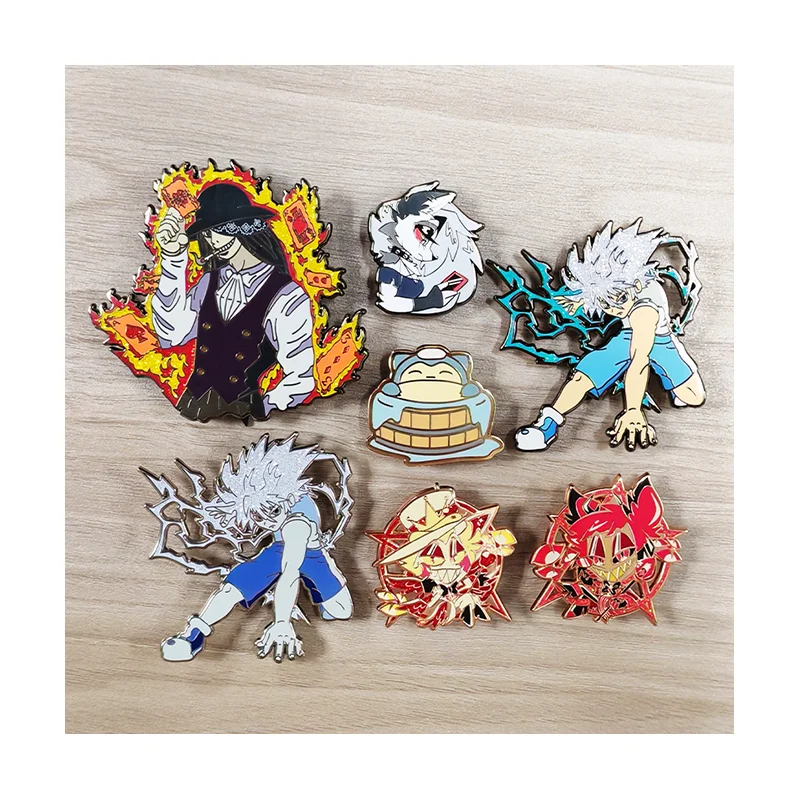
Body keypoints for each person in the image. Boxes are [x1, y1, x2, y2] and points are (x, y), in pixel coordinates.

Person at [151, 183, 315, 420]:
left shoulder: (287, 295)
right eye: (206, 233)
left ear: (241, 227)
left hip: (242, 415)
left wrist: (265, 406)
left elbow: (300, 375)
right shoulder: (208, 281)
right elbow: (172, 334)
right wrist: (173, 259)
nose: (211, 240)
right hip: (189, 407)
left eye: (216, 229)